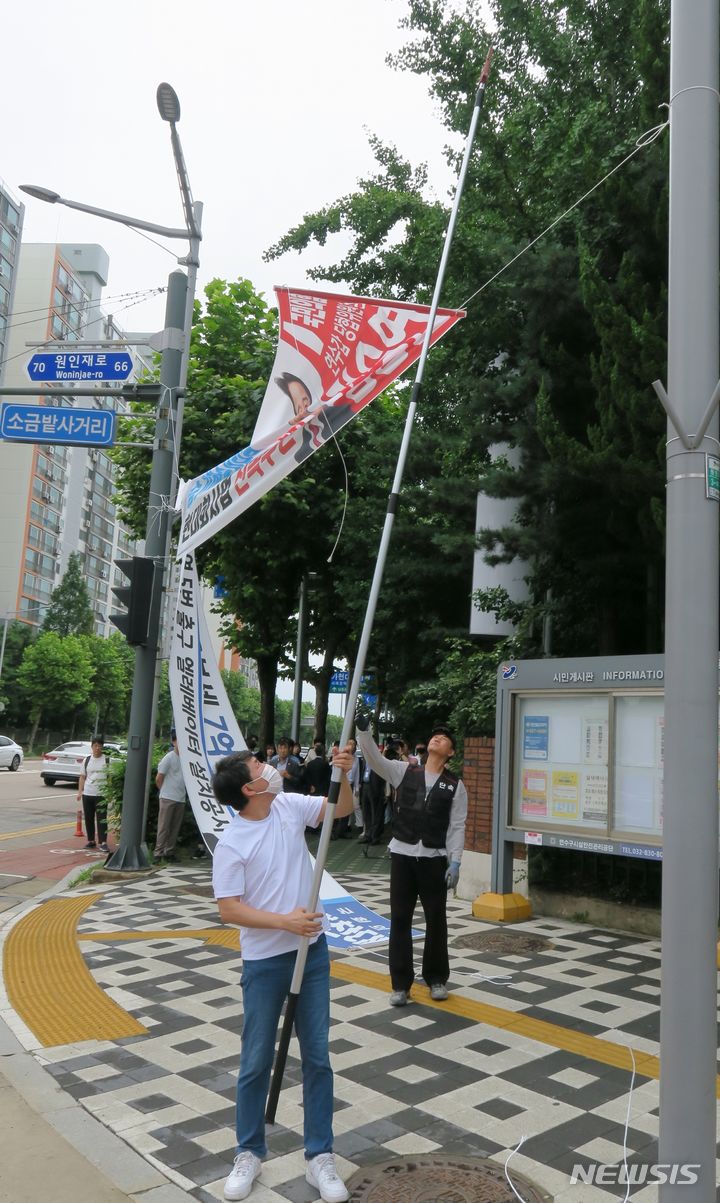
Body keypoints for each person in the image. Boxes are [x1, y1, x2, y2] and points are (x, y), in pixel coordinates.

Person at [211, 745, 355, 1203]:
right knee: (255, 1060)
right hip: (265, 962)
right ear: (249, 789)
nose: (271, 770)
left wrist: (343, 773)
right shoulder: (233, 842)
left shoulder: (289, 806)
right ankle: (249, 1151)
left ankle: (319, 1156)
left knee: (317, 1056)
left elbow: (343, 807)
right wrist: (284, 923)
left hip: (311, 955)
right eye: (259, 768)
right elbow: (229, 908)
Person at [356, 717, 467, 1007]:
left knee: (436, 920)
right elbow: (375, 760)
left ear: (451, 752)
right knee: (400, 920)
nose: (437, 739)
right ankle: (400, 985)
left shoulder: (455, 786)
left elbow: (457, 826)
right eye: (435, 736)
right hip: (403, 858)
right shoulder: (404, 770)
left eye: (444, 739)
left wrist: (455, 862)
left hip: (434, 860)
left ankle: (437, 978)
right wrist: (363, 733)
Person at [153, 731, 187, 863]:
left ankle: (169, 851)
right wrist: (164, 791)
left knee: (174, 827)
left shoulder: (185, 759)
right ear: (173, 742)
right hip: (168, 797)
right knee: (164, 826)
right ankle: (158, 853)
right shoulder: (169, 757)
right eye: (178, 740)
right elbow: (159, 778)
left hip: (181, 797)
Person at [77, 735, 109, 852]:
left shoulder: (107, 760)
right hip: (88, 793)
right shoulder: (87, 760)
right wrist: (80, 792)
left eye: (99, 746)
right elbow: (82, 777)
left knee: (101, 819)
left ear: (102, 747)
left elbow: (111, 778)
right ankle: (91, 840)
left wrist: (110, 793)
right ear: (91, 747)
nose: (97, 748)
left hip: (101, 794)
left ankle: (103, 842)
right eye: (95, 746)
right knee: (89, 818)